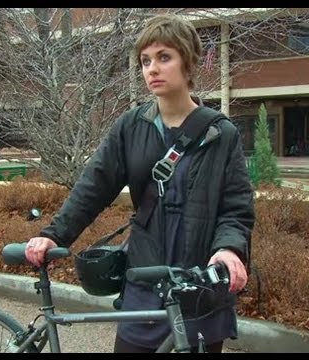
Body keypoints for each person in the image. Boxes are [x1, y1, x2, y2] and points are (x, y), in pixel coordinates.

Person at [24, 14, 254, 353]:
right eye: (146, 61)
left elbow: (236, 208)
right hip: (146, 274)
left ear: (188, 63)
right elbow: (94, 186)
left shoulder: (221, 134)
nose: (152, 69)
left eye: (164, 57)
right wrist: (53, 234)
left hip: (198, 281)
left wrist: (229, 249)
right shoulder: (131, 127)